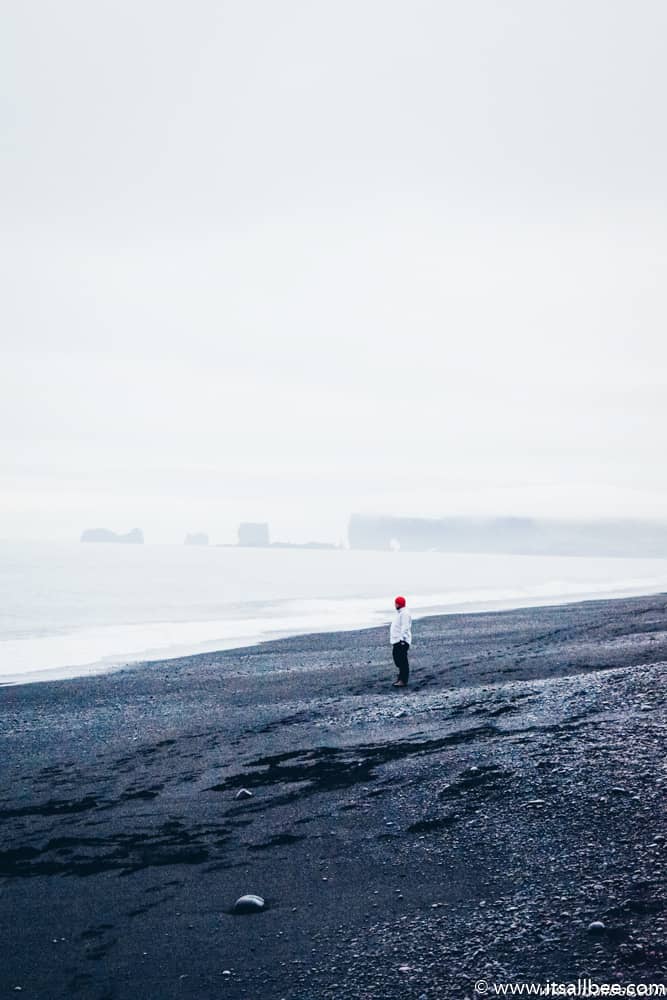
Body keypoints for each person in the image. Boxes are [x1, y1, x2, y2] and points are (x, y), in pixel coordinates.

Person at [390, 595, 412, 687]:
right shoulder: (400, 613)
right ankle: (401, 677)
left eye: (396, 603)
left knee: (402, 661)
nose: (395, 605)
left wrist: (402, 639)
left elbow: (405, 626)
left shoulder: (404, 613)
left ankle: (403, 680)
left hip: (402, 641)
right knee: (397, 659)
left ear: (399, 604)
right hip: (396, 641)